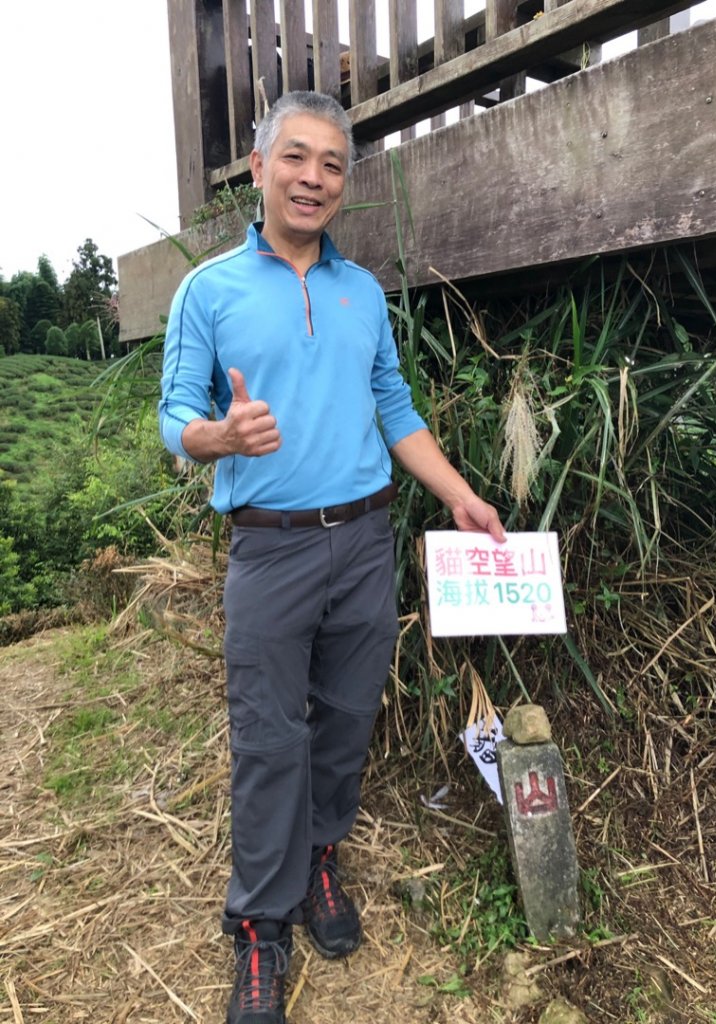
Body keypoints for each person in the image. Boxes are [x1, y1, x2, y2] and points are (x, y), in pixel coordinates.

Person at [159, 90, 505, 1024]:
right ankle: (259, 930)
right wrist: (218, 439)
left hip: (364, 538)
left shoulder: (362, 294)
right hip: (268, 552)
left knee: (347, 717)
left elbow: (393, 406)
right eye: (297, 158)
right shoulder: (211, 291)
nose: (314, 178)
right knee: (271, 740)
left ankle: (318, 861)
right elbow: (173, 415)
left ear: (344, 182)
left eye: (334, 165)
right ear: (262, 167)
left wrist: (458, 495)